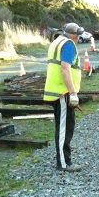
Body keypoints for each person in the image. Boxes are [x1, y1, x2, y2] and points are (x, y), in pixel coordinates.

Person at [43, 22, 83, 172]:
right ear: (74, 35)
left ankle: (64, 160)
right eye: (78, 35)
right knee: (64, 129)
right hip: (62, 92)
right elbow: (65, 69)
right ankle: (64, 163)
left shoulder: (57, 42)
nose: (79, 38)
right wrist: (72, 93)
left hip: (59, 91)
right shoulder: (68, 44)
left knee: (67, 126)